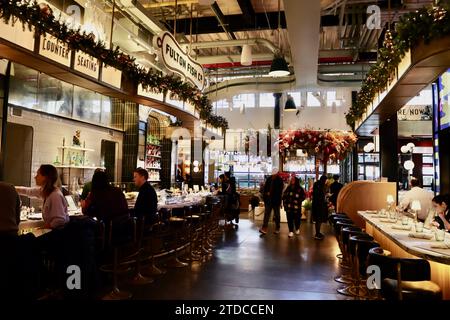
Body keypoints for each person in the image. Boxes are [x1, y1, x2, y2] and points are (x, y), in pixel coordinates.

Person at [16, 164, 69, 230]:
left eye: (38, 174)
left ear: (45, 177)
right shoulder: (46, 191)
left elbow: (59, 220)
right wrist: (10, 188)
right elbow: (28, 191)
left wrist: (42, 228)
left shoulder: (55, 195)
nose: (35, 177)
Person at [259, 168, 284, 235]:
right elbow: (265, 188)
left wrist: (271, 193)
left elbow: (280, 191)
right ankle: (264, 228)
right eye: (272, 174)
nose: (273, 175)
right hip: (268, 200)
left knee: (277, 215)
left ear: (276, 174)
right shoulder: (269, 179)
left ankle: (277, 228)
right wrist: (266, 195)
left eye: (274, 174)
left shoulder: (280, 180)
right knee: (266, 214)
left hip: (276, 200)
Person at [312, 175, 328, 240]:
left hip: (316, 204)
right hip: (320, 205)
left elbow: (315, 194)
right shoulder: (322, 186)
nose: (326, 181)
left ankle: (318, 233)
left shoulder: (316, 184)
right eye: (326, 180)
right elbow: (321, 196)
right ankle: (317, 234)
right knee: (319, 219)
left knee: (318, 220)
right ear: (324, 180)